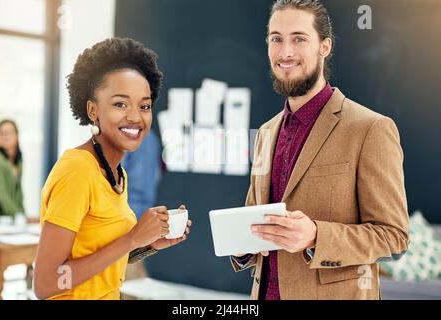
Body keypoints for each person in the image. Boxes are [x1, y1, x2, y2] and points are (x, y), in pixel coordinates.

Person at [231, 0, 409, 300]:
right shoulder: (265, 132)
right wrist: (244, 244)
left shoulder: (370, 129)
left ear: (324, 47)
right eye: (276, 39)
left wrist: (316, 235)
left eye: (299, 39)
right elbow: (258, 219)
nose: (285, 52)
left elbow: (394, 236)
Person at [34, 37, 191, 300]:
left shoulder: (116, 173)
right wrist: (132, 238)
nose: (135, 116)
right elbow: (47, 282)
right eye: (121, 104)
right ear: (92, 110)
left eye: (144, 106)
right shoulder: (78, 170)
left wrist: (148, 244)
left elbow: (97, 257)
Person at [122, 131, 162, 220]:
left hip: (126, 204)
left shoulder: (125, 135)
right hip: (147, 203)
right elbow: (157, 174)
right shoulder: (152, 138)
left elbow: (115, 171)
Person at [0, 119, 24, 223]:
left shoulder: (18, 161)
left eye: (9, 132)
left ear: (16, 135)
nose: (5, 136)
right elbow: (0, 193)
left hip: (8, 219)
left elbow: (18, 193)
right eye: (2, 133)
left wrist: (23, 214)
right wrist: (18, 215)